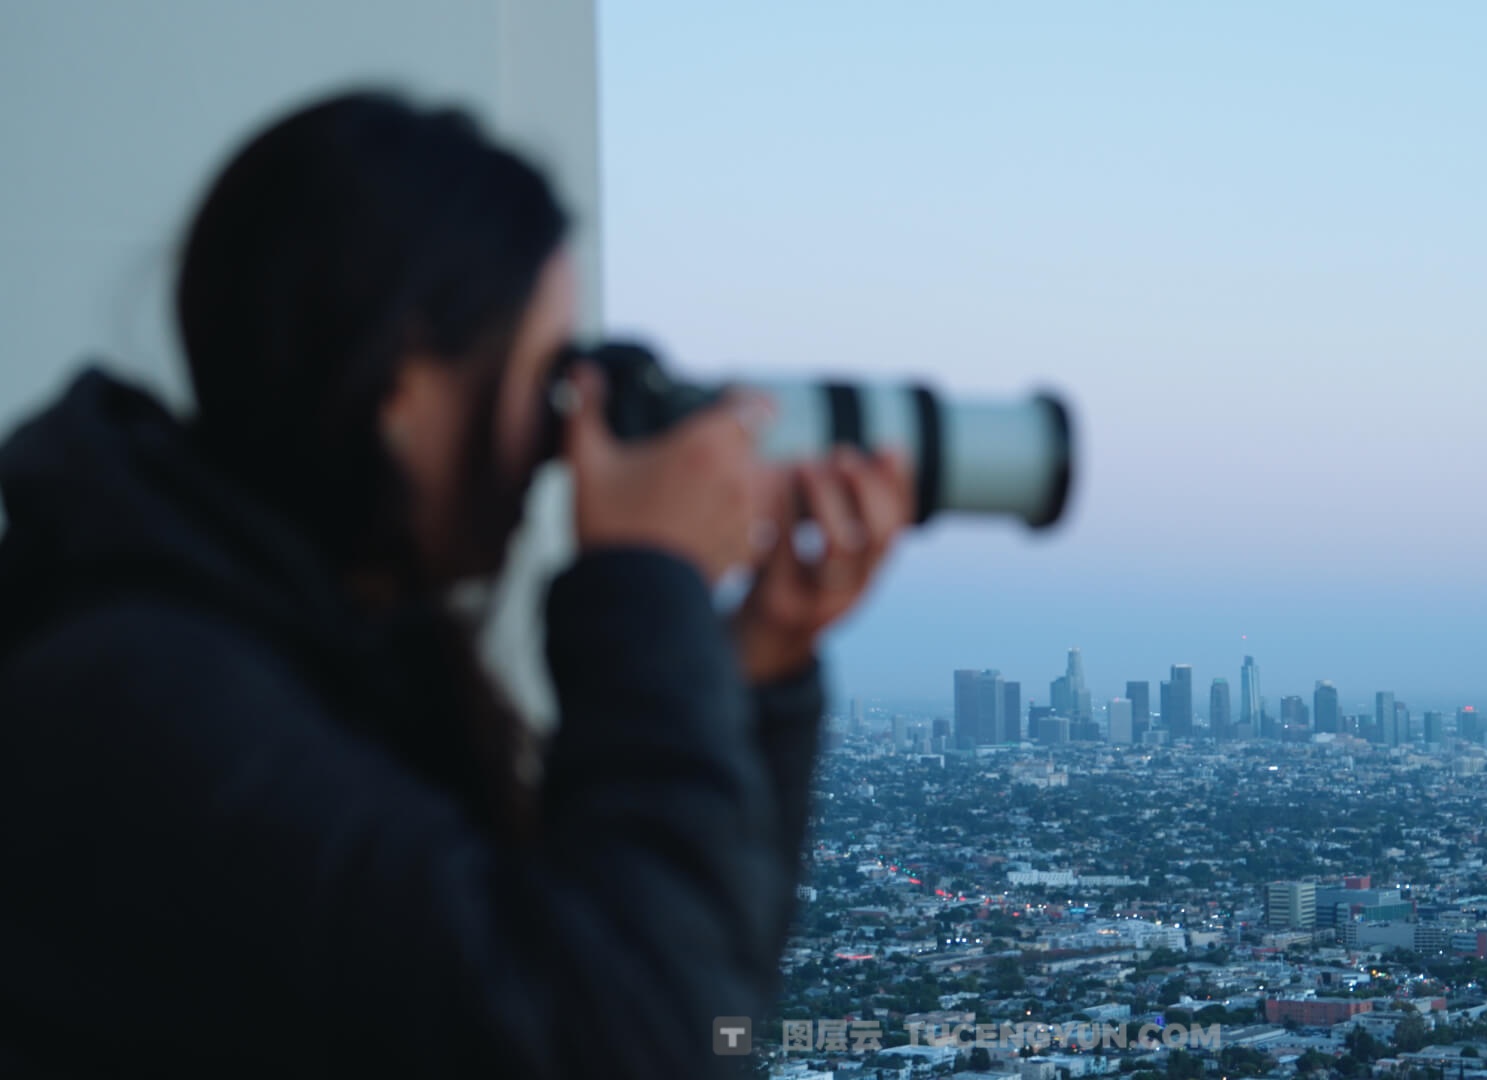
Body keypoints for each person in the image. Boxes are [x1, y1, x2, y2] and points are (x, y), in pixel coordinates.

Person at [0, 90, 911, 1077]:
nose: (565, 439)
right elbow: (641, 1042)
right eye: (548, 379)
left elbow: (702, 997)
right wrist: (650, 582)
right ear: (404, 382)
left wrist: (749, 675)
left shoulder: (300, 656)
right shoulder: (141, 699)